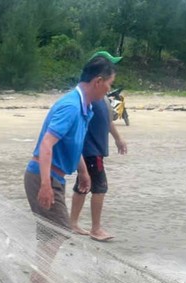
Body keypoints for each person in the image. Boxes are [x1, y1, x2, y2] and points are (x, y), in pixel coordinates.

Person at [24, 56, 116, 283]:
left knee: (49, 231)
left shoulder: (84, 109)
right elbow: (46, 145)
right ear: (97, 82)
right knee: (61, 228)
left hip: (54, 176)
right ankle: (39, 277)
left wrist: (84, 172)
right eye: (109, 85)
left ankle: (38, 274)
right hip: (43, 176)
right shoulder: (71, 107)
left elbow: (72, 144)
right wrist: (45, 185)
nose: (109, 90)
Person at [70, 51, 128, 242]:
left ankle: (72, 223)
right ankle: (96, 228)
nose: (113, 67)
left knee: (83, 185)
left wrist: (118, 139)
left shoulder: (102, 95)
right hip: (90, 149)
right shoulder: (90, 95)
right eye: (109, 64)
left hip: (96, 149)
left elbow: (108, 121)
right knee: (99, 187)